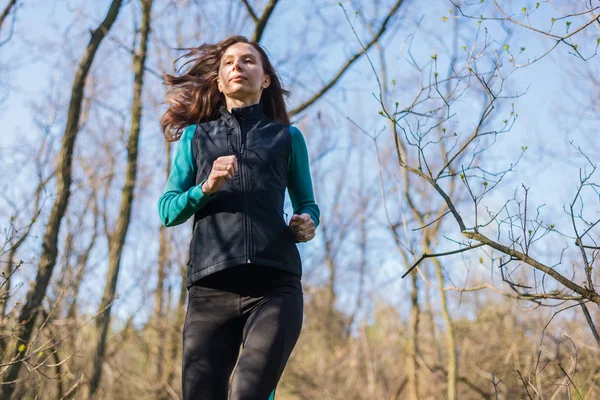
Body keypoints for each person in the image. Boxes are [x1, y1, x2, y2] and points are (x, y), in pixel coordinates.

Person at [157, 35, 320, 400]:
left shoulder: (287, 138)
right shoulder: (196, 138)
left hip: (274, 288)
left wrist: (307, 222)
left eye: (248, 61)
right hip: (210, 291)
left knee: (248, 393)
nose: (237, 66)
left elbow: (308, 204)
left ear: (265, 80)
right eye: (229, 62)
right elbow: (167, 211)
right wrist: (206, 187)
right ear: (218, 81)